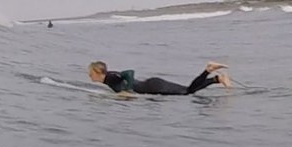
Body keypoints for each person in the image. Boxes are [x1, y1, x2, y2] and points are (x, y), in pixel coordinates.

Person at [87, 60, 232, 95]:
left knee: (187, 92)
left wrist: (128, 90)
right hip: (153, 86)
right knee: (188, 91)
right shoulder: (108, 79)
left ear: (99, 72)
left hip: (153, 86)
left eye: (91, 73)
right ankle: (216, 79)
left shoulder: (110, 77)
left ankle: (208, 70)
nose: (89, 76)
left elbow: (129, 72)